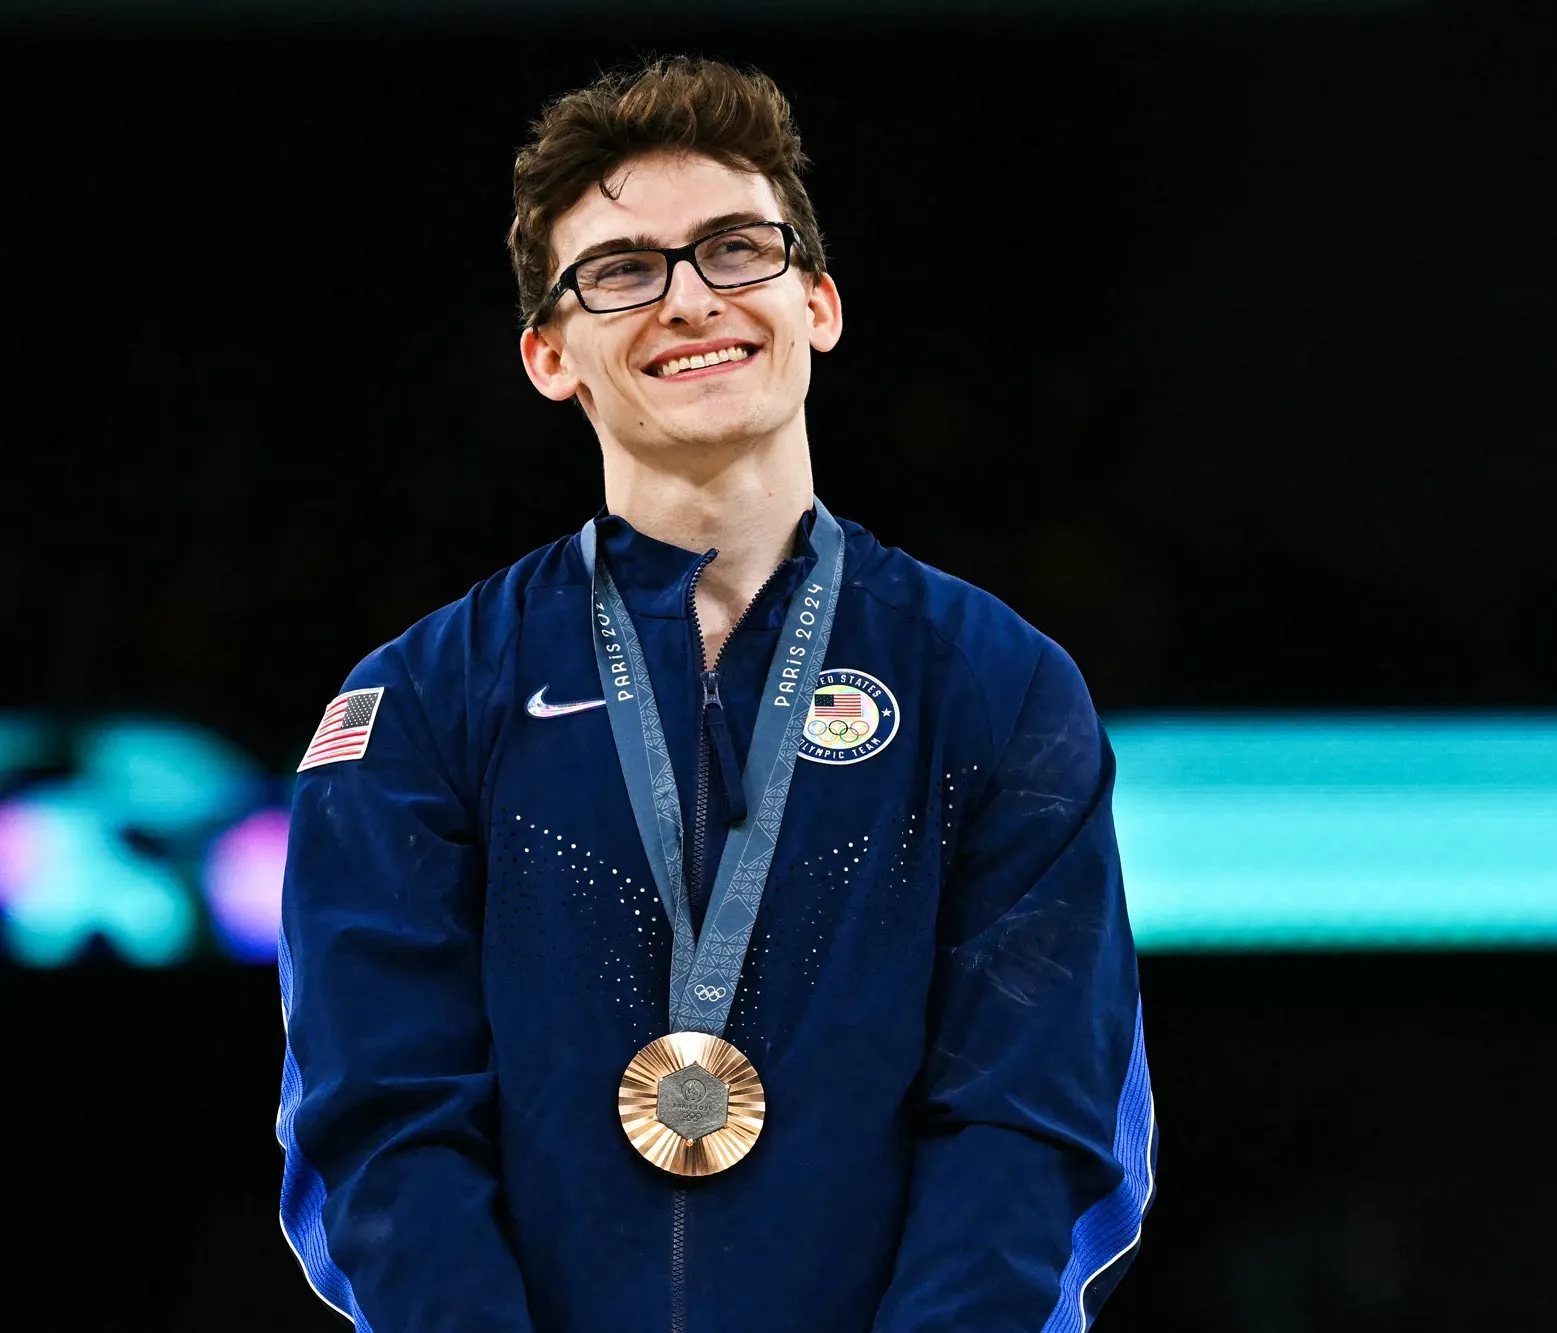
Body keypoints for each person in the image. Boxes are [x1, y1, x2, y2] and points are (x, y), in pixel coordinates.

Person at [276, 55, 1155, 1333]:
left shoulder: (997, 682)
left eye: (734, 250)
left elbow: (1033, 1116)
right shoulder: (418, 702)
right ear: (547, 355)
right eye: (623, 271)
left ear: (818, 301)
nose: (688, 300)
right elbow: (381, 1123)